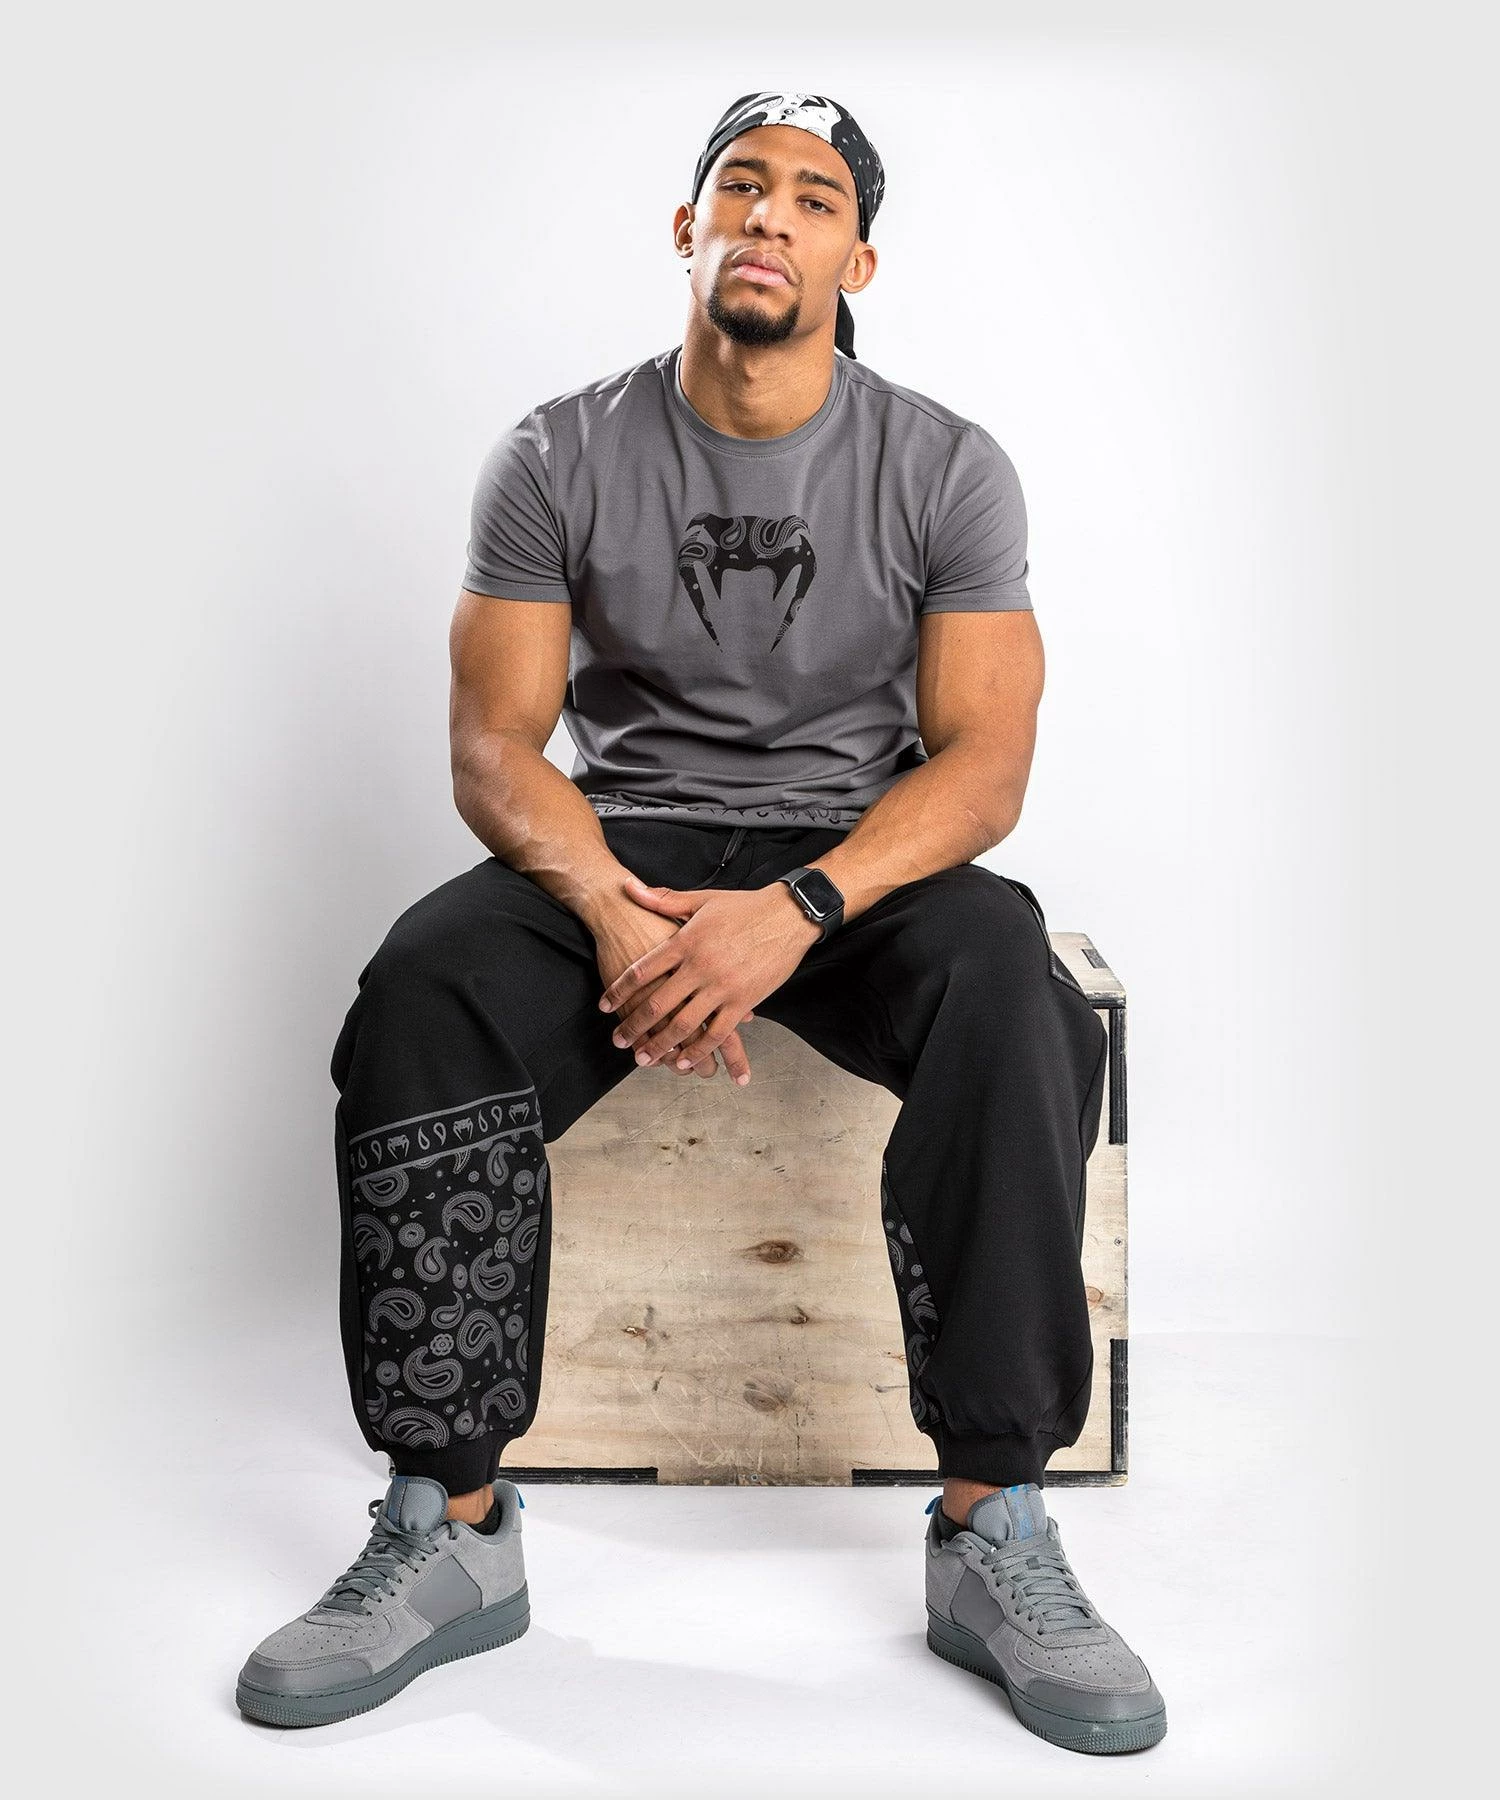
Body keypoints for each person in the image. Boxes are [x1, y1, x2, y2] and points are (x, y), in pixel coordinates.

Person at [236, 91, 1167, 1754]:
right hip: (636, 840)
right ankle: (450, 1526)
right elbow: (495, 745)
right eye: (741, 185)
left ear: (856, 259)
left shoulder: (946, 465)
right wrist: (608, 904)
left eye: (813, 198)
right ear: (688, 229)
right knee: (425, 986)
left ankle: (993, 1523)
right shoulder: (558, 451)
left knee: (1014, 990)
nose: (770, 214)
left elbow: (987, 764)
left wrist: (795, 910)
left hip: (855, 853)